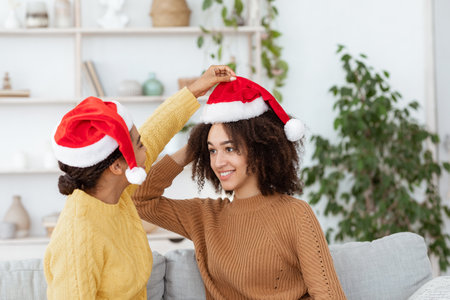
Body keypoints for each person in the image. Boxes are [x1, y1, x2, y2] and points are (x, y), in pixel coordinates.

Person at [133, 76, 347, 299]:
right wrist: (192, 149)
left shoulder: (296, 214)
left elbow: (329, 295)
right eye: (212, 150)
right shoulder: (205, 217)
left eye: (230, 148)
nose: (218, 162)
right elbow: (139, 199)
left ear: (259, 149)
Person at [43, 65, 236, 300]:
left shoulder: (113, 193)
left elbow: (155, 132)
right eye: (139, 145)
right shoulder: (79, 237)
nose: (146, 148)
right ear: (117, 166)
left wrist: (196, 89)